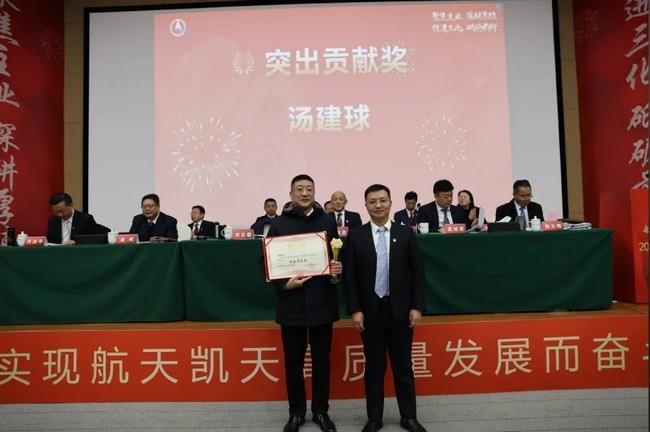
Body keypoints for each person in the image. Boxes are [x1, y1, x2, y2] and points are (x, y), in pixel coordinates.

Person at [343, 184, 427, 432]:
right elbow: (350, 277)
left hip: (401, 311)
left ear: (391, 203)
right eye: (372, 201)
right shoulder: (356, 236)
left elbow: (418, 273)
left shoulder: (405, 233)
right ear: (365, 206)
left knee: (403, 367)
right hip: (370, 313)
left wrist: (417, 307)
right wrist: (355, 309)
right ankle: (374, 418)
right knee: (374, 368)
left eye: (382, 200)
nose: (378, 205)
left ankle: (408, 417)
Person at [265, 175, 342, 432]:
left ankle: (321, 411)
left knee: (322, 362)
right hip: (292, 304)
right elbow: (266, 262)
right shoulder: (279, 224)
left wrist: (336, 268)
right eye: (299, 189)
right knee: (294, 363)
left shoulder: (327, 221)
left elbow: (336, 254)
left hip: (321, 302)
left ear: (315, 192)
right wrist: (285, 285)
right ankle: (296, 413)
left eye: (309, 189)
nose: (305, 193)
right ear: (291, 194)